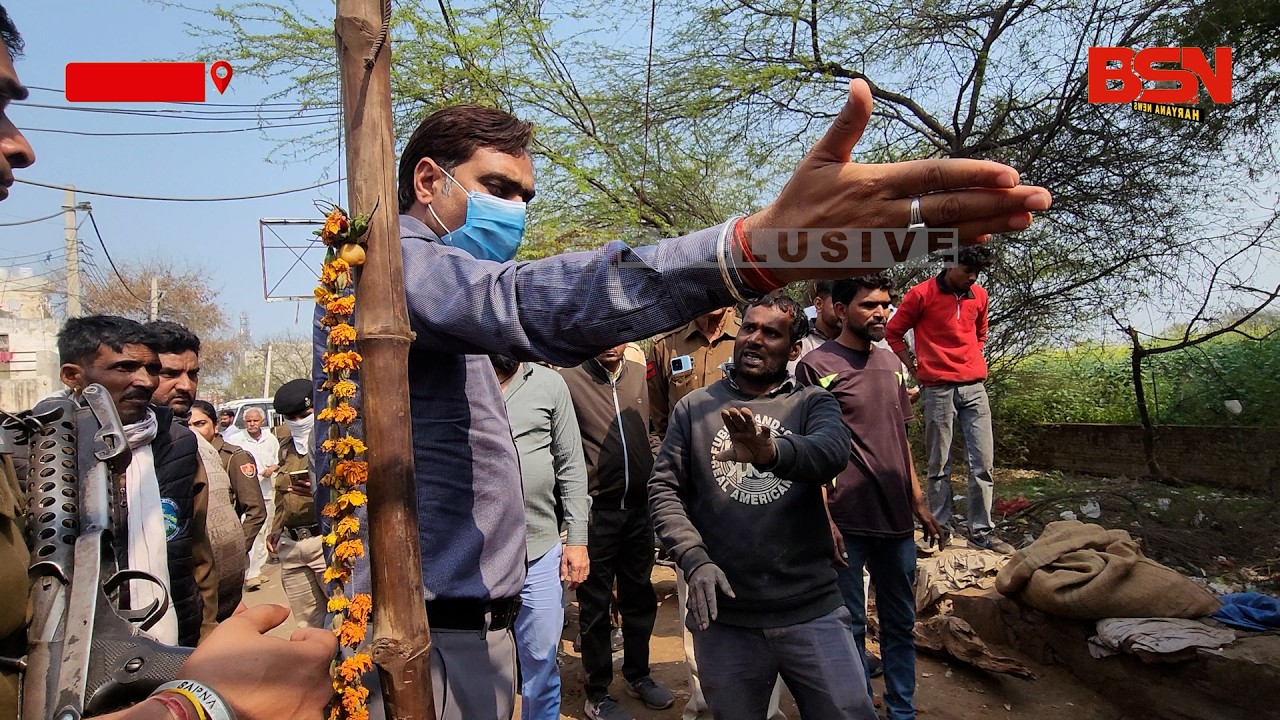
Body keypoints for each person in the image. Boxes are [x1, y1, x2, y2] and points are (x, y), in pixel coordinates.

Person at [313, 88, 1051, 717]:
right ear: (427, 181)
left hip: (474, 626)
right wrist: (753, 251)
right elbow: (532, 302)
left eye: (526, 198)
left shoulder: (813, 393)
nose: (516, 212)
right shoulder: (392, 268)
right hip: (427, 635)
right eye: (498, 189)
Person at [0, 12, 335, 720]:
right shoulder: (36, 450)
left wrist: (201, 654)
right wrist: (201, 705)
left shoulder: (175, 444)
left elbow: (208, 549)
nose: (22, 149)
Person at [649, 295, 875, 720]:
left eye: (771, 332)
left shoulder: (812, 404)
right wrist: (694, 559)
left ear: (793, 350)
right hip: (725, 615)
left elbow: (831, 453)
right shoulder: (694, 409)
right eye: (749, 328)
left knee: (849, 711)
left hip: (811, 608)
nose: (754, 339)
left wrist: (770, 453)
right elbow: (664, 491)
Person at [796, 275, 944, 720]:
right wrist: (824, 516)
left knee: (900, 623)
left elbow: (898, 436)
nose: (882, 313)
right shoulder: (816, 365)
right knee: (850, 626)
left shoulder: (893, 362)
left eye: (886, 304)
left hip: (896, 519)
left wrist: (918, 501)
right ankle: (859, 708)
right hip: (847, 518)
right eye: (869, 305)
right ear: (840, 311)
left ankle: (902, 710)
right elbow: (809, 450)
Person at [647, 305, 789, 720]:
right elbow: (657, 421)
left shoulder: (754, 338)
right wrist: (674, 467)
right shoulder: (667, 344)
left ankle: (768, 710)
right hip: (698, 507)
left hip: (762, 495)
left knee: (770, 611)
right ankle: (704, 707)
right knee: (699, 611)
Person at [54, 315, 210, 646]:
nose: (144, 381)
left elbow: (195, 552)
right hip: (72, 645)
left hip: (174, 637)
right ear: (73, 376)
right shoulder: (40, 451)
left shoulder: (177, 442)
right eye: (125, 368)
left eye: (151, 369)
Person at [559, 345, 672, 720]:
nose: (611, 343)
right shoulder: (568, 379)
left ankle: (639, 674)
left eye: (619, 335)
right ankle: (597, 691)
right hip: (595, 515)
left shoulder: (639, 377)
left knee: (639, 597)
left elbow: (653, 429)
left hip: (638, 511)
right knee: (594, 609)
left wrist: (654, 470)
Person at [884, 246, 1012, 554]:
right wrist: (916, 370)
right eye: (967, 270)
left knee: (983, 462)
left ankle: (982, 531)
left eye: (977, 273)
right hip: (937, 388)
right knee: (938, 462)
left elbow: (980, 334)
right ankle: (940, 530)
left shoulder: (979, 296)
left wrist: (971, 358)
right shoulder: (921, 294)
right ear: (949, 265)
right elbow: (893, 333)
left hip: (974, 386)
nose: (972, 277)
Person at [490, 355, 591, 720]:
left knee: (541, 663)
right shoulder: (459, 379)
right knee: (484, 667)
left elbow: (571, 466)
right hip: (477, 561)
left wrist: (577, 540)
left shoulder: (549, 385)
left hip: (540, 551)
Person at [148, 320, 250, 624]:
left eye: (192, 374)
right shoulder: (136, 451)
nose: (186, 385)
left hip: (218, 611)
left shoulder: (191, 441)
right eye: (170, 374)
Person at [266, 379, 326, 629]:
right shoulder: (285, 448)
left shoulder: (333, 444)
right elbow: (282, 495)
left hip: (324, 542)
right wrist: (276, 527)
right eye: (292, 417)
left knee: (347, 617)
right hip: (291, 546)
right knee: (308, 626)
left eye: (305, 415)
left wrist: (318, 493)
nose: (299, 422)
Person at [188, 400, 267, 559]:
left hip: (225, 554)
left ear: (215, 425)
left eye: (200, 424)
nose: (193, 431)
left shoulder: (233, 458)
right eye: (187, 425)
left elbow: (256, 511)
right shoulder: (182, 457)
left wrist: (237, 549)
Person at [232, 407, 281, 591]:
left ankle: (257, 569)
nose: (252, 424)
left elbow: (278, 460)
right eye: (249, 421)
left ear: (262, 421)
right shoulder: (236, 440)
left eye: (255, 421)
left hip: (267, 491)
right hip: (246, 494)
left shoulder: (270, 439)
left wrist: (272, 469)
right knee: (251, 530)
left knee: (264, 531)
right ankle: (250, 574)